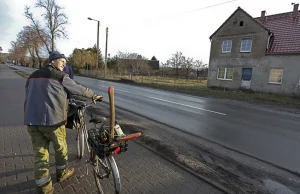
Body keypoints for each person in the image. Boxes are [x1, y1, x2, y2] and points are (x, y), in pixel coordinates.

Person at [24, 51, 103, 194]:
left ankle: (44, 189)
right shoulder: (59, 76)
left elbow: (29, 94)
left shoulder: (32, 76)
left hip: (32, 120)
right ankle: (62, 173)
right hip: (53, 121)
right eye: (62, 61)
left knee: (40, 155)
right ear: (52, 61)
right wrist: (93, 95)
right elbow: (77, 88)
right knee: (61, 149)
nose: (64, 64)